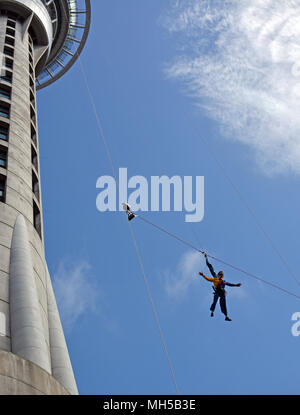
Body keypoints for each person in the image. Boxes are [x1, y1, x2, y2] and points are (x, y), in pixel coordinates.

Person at [199, 253, 242, 321]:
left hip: (221, 292)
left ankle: (226, 316)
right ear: (218, 274)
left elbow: (229, 284)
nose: (220, 276)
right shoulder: (215, 278)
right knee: (215, 301)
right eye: (220, 274)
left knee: (223, 303)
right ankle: (212, 311)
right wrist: (203, 274)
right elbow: (210, 270)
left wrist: (236, 285)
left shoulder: (223, 281)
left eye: (221, 275)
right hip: (217, 291)